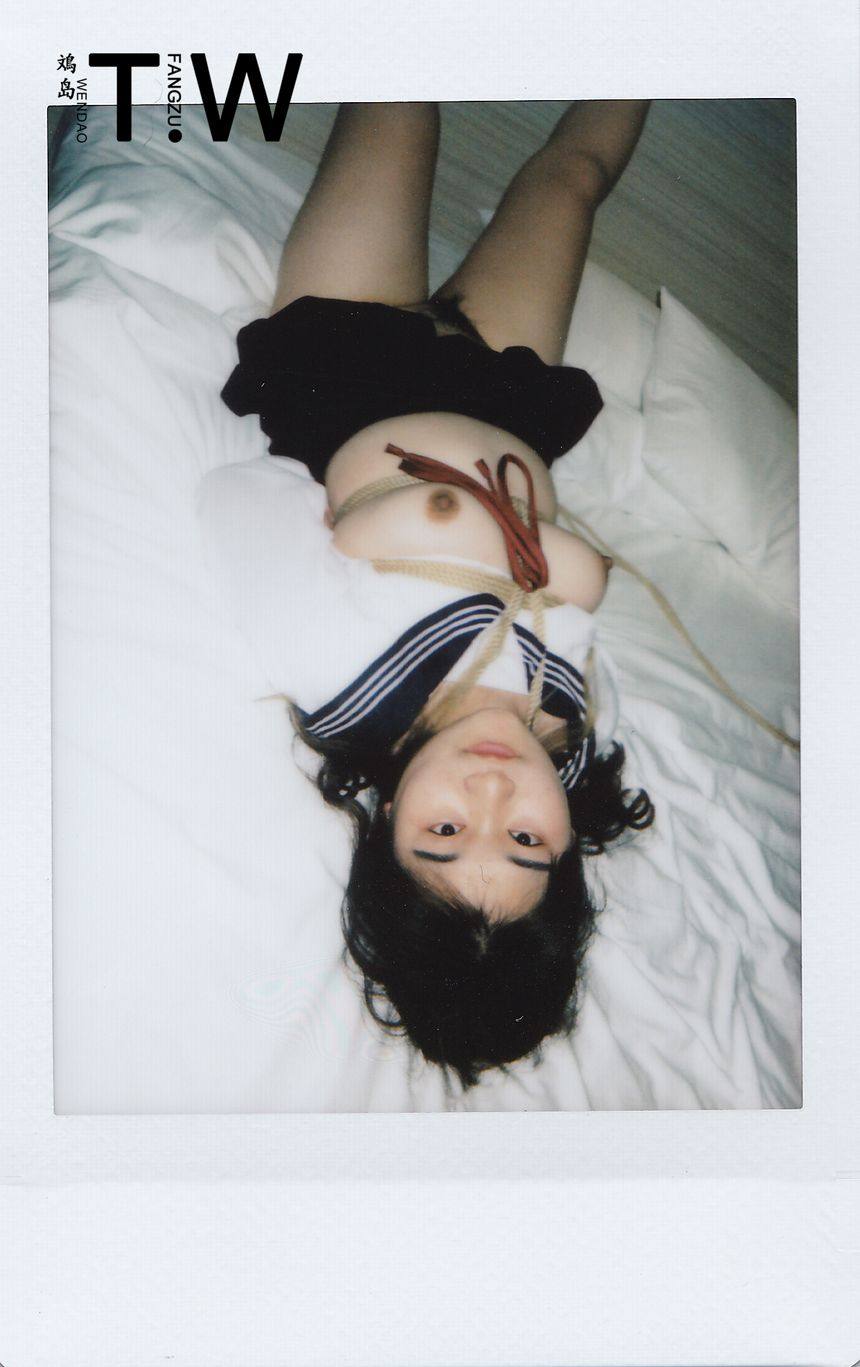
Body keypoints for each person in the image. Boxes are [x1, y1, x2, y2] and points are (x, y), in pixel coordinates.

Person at [202, 100, 655, 1090]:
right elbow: (582, 592)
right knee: (574, 177)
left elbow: (236, 497)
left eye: (443, 834)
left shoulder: (343, 682)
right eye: (525, 839)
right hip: (508, 396)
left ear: (387, 827)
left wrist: (374, 528)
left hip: (350, 361)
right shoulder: (566, 719)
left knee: (401, 99)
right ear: (568, 848)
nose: (491, 794)